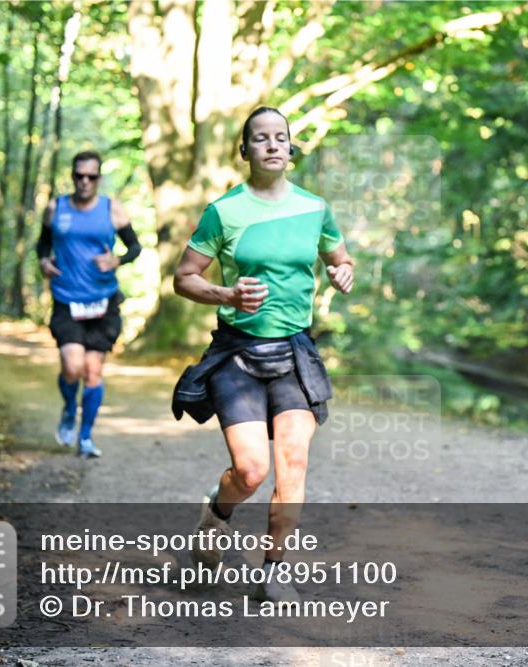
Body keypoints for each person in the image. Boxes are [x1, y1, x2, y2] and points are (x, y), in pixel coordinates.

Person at [172, 107, 354, 605]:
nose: (272, 145)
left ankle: (275, 569)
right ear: (245, 150)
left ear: (291, 148)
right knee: (251, 471)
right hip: (238, 355)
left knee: (292, 463)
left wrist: (342, 273)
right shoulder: (224, 211)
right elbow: (184, 277)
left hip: (295, 353)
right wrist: (227, 295)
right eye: (261, 138)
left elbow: (339, 259)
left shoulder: (315, 208)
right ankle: (216, 515)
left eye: (280, 137)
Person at [36, 151, 142, 458]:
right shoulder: (57, 208)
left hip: (102, 302)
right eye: (79, 176)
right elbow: (42, 243)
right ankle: (70, 409)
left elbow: (135, 246)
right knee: (72, 367)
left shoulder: (112, 209)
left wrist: (117, 260)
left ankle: (85, 437)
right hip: (67, 299)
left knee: (93, 372)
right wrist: (43, 260)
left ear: (98, 178)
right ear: (72, 176)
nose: (84, 181)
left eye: (91, 176)